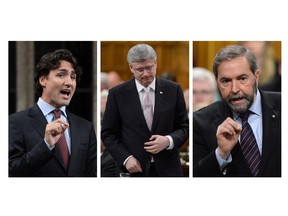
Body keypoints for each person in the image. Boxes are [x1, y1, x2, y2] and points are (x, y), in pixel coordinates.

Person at [101, 44, 189, 177]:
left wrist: (168, 141)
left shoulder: (174, 90)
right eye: (140, 70)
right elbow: (108, 134)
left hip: (168, 170)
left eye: (149, 68)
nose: (146, 74)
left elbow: (184, 128)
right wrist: (126, 158)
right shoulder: (117, 94)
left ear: (156, 63)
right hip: (133, 170)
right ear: (131, 67)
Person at [193, 45, 281, 177]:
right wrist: (221, 153)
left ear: (256, 76)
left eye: (242, 79)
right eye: (226, 81)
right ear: (217, 82)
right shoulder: (200, 121)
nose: (234, 89)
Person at [9, 49, 97, 177]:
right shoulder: (15, 122)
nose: (69, 82)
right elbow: (11, 171)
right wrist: (46, 145)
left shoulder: (86, 128)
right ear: (43, 80)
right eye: (61, 75)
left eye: (73, 77)